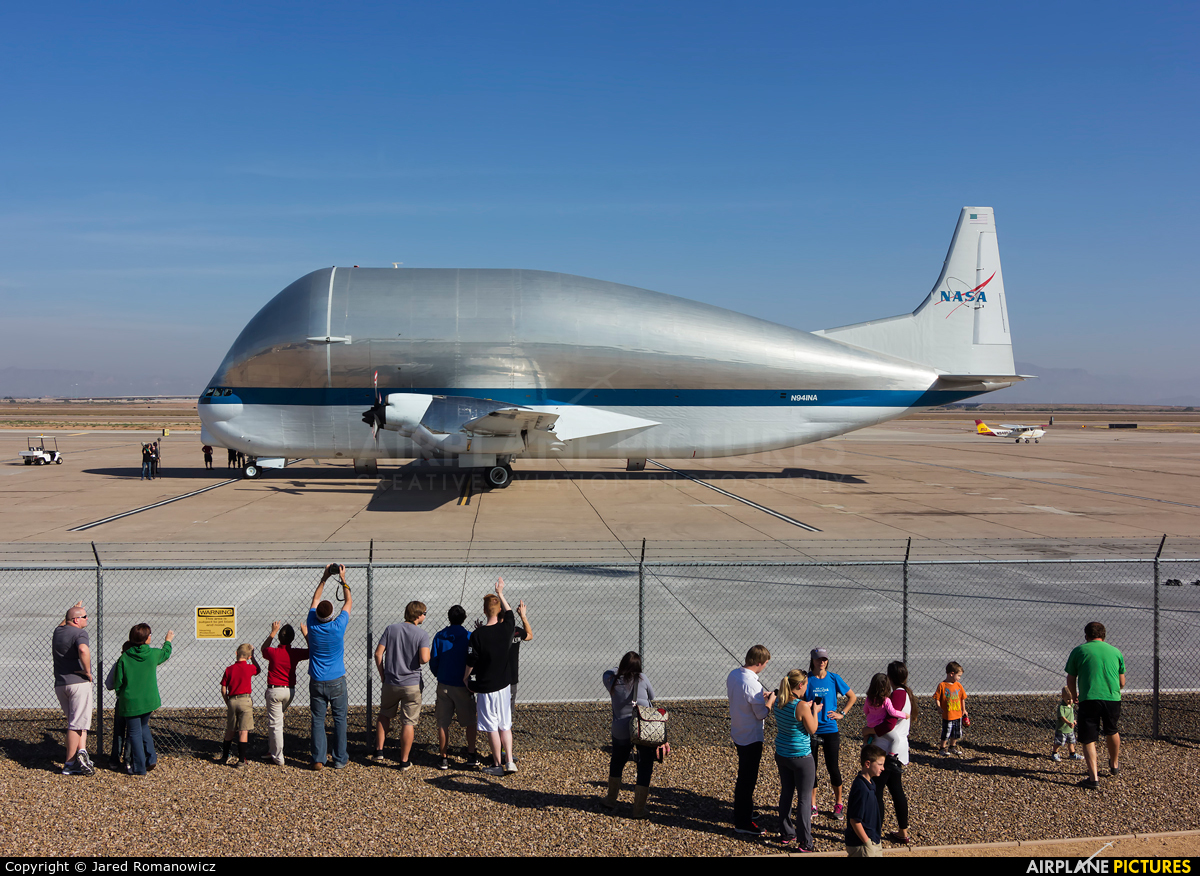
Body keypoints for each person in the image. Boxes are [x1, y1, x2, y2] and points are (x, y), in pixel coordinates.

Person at [601, 651, 669, 819]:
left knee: (617, 761)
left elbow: (607, 672)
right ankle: (638, 808)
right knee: (645, 764)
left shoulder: (612, 681)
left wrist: (620, 669)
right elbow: (652, 697)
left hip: (621, 728)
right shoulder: (643, 679)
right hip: (643, 726)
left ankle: (611, 800)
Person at [464, 577, 517, 776]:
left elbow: (471, 661)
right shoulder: (507, 628)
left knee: (491, 727)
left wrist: (466, 678)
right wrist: (501, 593)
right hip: (504, 685)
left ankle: (496, 764)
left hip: (486, 687)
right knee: (505, 724)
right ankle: (509, 760)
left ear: (484, 611)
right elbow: (510, 612)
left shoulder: (477, 635)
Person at [1065, 621, 1125, 789]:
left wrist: (1073, 695)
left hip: (1089, 698)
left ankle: (1093, 778)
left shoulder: (1079, 651)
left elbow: (1071, 678)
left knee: (1088, 737)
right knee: (1112, 730)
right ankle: (1114, 764)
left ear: (1086, 636)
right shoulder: (1115, 652)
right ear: (1104, 635)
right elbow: (1122, 682)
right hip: (1112, 698)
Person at [372, 600, 431, 770]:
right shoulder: (422, 634)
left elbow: (378, 654)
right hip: (412, 684)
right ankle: (404, 760)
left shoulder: (391, 629)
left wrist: (383, 675)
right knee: (408, 722)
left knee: (384, 714)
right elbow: (424, 659)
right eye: (424, 613)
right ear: (418, 615)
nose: (425, 616)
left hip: (391, 681)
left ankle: (379, 751)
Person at [306, 563, 352, 770]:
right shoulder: (337, 626)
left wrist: (324, 577)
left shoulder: (312, 624)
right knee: (340, 719)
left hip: (317, 679)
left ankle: (318, 758)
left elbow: (315, 599)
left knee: (318, 719)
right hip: (336, 679)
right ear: (332, 615)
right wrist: (342, 578)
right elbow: (349, 601)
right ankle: (340, 758)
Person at [113, 623, 174, 775]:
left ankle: (139, 767)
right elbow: (165, 653)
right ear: (147, 639)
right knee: (143, 726)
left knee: (134, 732)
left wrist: (122, 694)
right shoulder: (152, 654)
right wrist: (168, 641)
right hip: (149, 700)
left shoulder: (124, 658)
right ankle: (151, 757)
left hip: (131, 702)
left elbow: (118, 682)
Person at [727, 644, 776, 836]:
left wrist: (759, 697)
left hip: (739, 732)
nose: (765, 667)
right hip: (751, 737)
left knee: (745, 777)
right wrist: (769, 702)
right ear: (759, 663)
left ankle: (746, 810)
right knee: (747, 780)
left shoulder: (733, 675)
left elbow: (745, 698)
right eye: (765, 664)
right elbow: (761, 714)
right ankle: (743, 821)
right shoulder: (754, 684)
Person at [804, 647, 856, 820]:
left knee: (833, 767)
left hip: (830, 729)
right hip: (811, 729)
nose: (822, 662)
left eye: (824, 659)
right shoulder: (807, 680)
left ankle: (839, 803)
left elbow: (852, 697)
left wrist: (842, 713)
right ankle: (812, 804)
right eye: (819, 659)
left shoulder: (834, 678)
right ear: (813, 660)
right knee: (812, 769)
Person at [772, 669, 819, 851]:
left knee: (786, 793)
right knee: (804, 799)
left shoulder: (779, 701)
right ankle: (805, 841)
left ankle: (786, 832)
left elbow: (794, 716)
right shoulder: (802, 707)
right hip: (801, 757)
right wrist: (813, 710)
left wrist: (805, 707)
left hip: (782, 754)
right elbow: (813, 728)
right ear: (800, 685)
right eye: (806, 684)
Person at [429, 605, 478, 769]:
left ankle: (443, 757)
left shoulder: (440, 636)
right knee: (470, 721)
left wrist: (440, 675)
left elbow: (433, 661)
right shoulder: (469, 636)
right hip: (463, 685)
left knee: (443, 722)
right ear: (464, 619)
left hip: (444, 683)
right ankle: (471, 754)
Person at [871, 660, 914, 846]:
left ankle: (875, 833)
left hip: (887, 749)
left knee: (877, 790)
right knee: (896, 790)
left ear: (890, 677)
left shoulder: (897, 694)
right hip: (898, 748)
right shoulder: (906, 693)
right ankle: (902, 831)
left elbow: (888, 723)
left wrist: (869, 731)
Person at [53, 601, 94, 776]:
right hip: (78, 682)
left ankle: (81, 752)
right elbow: (84, 650)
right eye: (84, 617)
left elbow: (64, 622)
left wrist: (72, 609)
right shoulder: (80, 633)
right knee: (76, 724)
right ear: (76, 620)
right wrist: (88, 671)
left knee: (78, 721)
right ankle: (69, 764)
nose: (87, 619)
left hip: (61, 684)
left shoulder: (58, 632)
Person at [261, 621, 309, 766]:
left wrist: (272, 632)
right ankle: (272, 749)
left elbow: (264, 649)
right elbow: (312, 650)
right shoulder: (294, 653)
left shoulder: (273, 652)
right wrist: (305, 633)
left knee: (275, 724)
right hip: (289, 690)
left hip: (275, 690)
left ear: (279, 638)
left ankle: (278, 757)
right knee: (277, 720)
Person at [218, 643, 261, 768]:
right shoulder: (249, 668)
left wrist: (228, 701)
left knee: (230, 730)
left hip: (233, 700)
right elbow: (258, 669)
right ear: (248, 657)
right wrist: (253, 657)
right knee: (243, 731)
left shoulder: (229, 669)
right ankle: (241, 760)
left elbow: (223, 689)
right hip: (245, 700)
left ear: (236, 653)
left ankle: (224, 757)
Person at [502, 598, 533, 764]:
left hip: (497, 680)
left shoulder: (495, 631)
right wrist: (524, 617)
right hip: (511, 679)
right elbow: (529, 636)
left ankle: (498, 750)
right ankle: (505, 751)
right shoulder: (515, 632)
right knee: (508, 715)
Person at [844, 744, 886, 857]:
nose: (883, 768)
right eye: (880, 764)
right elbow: (854, 820)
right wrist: (867, 842)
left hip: (872, 840)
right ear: (868, 764)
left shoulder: (870, 784)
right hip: (862, 844)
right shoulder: (861, 789)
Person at [104, 640, 135, 769]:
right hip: (135, 703)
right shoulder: (137, 664)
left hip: (121, 700)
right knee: (132, 731)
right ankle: (128, 759)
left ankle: (114, 759)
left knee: (119, 731)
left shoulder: (119, 663)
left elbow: (109, 684)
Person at [934, 661, 968, 755]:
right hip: (948, 715)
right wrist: (939, 707)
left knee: (956, 733)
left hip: (958, 714)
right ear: (951, 674)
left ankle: (952, 747)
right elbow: (937, 698)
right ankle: (942, 748)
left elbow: (962, 698)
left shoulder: (958, 685)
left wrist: (964, 710)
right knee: (946, 732)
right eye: (959, 676)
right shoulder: (942, 685)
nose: (959, 678)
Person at [861, 673, 905, 742]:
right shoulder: (886, 700)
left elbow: (865, 710)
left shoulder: (869, 699)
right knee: (895, 740)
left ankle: (866, 747)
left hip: (870, 724)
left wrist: (871, 716)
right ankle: (891, 753)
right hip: (880, 726)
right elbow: (892, 712)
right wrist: (904, 715)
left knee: (867, 738)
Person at [1052, 685, 1082, 762]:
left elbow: (1071, 715)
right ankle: (1055, 753)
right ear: (1063, 697)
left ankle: (1072, 754)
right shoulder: (1062, 707)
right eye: (1068, 699)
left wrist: (1073, 721)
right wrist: (1068, 722)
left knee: (1071, 742)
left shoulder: (1071, 705)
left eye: (1071, 699)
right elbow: (1062, 717)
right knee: (1059, 742)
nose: (1070, 701)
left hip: (1070, 729)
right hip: (1062, 729)